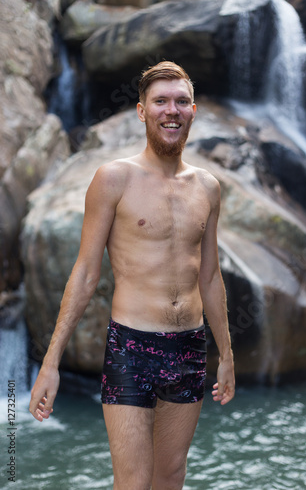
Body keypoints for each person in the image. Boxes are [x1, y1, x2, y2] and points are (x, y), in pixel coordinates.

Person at [29, 61, 235, 489]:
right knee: (134, 483)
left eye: (180, 101)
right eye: (160, 101)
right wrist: (51, 364)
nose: (171, 110)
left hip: (190, 348)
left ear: (194, 110)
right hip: (131, 347)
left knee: (170, 476)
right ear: (142, 111)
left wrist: (228, 357)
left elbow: (211, 277)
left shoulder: (208, 187)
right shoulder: (113, 179)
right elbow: (85, 273)